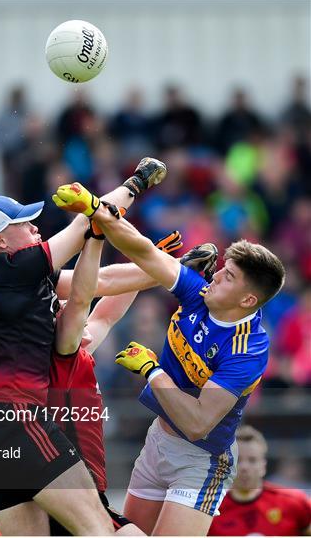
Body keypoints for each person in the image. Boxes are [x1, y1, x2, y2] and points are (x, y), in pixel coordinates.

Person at [52, 181, 286, 536]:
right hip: (157, 442)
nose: (216, 274)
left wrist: (152, 370)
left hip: (201, 459)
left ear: (248, 300)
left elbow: (197, 424)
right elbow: (143, 252)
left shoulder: (248, 350)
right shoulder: (201, 293)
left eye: (229, 276)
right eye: (223, 267)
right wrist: (97, 210)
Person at [0, 158, 167, 535]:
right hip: (15, 418)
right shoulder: (16, 268)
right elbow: (87, 221)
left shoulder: (17, 280)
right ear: (2, 241)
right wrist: (136, 183)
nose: (35, 227)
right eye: (24, 223)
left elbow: (99, 281)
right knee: (100, 530)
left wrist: (170, 269)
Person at [209, 425, 311, 536]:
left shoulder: (294, 502)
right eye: (238, 460)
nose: (244, 467)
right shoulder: (211, 510)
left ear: (263, 466)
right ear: (227, 465)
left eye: (252, 460)